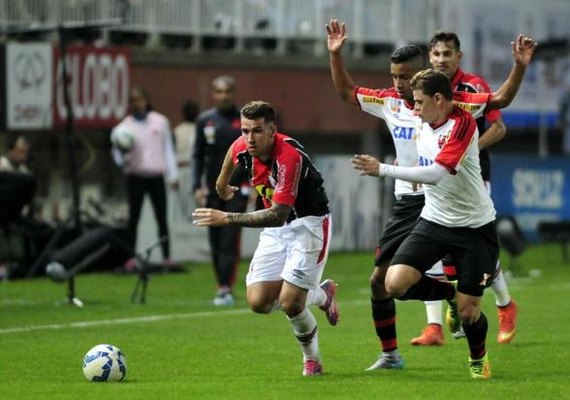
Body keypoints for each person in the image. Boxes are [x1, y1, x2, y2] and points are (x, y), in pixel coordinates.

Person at [352, 43, 536, 378]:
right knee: (393, 283)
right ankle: (447, 292)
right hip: (434, 221)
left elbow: (437, 173)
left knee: (468, 314)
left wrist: (384, 169)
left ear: (439, 100)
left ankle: (478, 358)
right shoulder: (423, 116)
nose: (414, 109)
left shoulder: (462, 123)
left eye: (419, 102)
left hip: (474, 227)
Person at [192, 100, 338, 376]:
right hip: (276, 231)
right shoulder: (244, 145)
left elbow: (277, 215)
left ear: (272, 130)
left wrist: (226, 217)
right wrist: (222, 183)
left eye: (257, 131)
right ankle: (322, 294)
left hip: (308, 225)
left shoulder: (289, 157)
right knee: (258, 302)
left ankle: (313, 360)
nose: (249, 138)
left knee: (291, 302)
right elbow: (232, 153)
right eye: (245, 131)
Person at [327, 19, 437, 369]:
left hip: (445, 198)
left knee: (471, 275)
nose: (398, 83)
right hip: (408, 202)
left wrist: (519, 67)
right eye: (394, 76)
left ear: (423, 74)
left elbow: (497, 102)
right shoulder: (388, 102)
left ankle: (465, 307)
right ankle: (390, 354)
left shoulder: (449, 104)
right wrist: (336, 54)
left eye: (405, 76)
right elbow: (347, 93)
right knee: (379, 281)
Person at [410, 31, 518, 347]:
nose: (442, 59)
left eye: (448, 54)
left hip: (470, 177)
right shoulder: (424, 89)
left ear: (459, 57)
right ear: (429, 57)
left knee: (476, 249)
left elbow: (499, 127)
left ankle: (504, 304)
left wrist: (465, 150)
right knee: (429, 243)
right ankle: (433, 326)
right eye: (437, 54)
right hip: (434, 176)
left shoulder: (474, 88)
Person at [192, 76, 250, 306]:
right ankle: (221, 285)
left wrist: (254, 185)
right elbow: (198, 156)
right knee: (214, 239)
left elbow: (253, 156)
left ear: (233, 93)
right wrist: (196, 186)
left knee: (229, 238)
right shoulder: (205, 121)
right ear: (213, 94)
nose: (223, 96)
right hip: (212, 189)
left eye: (227, 91)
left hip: (237, 189)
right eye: (219, 91)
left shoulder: (243, 121)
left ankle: (226, 286)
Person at [111, 85, 179, 268]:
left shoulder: (160, 122)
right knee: (134, 218)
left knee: (161, 217)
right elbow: (117, 154)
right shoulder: (124, 128)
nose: (136, 103)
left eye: (139, 99)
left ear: (146, 101)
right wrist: (124, 160)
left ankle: (166, 257)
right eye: (132, 100)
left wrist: (173, 175)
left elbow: (168, 149)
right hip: (136, 176)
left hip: (156, 176)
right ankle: (131, 257)